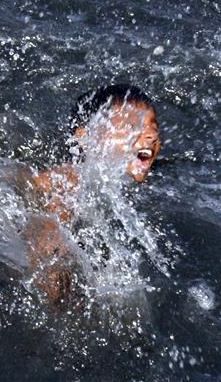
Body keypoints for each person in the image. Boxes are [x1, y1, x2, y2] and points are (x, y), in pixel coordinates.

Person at [25, 84, 162, 301]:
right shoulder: (68, 182)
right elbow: (44, 258)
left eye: (153, 127)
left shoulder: (114, 186)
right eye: (131, 126)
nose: (150, 136)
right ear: (85, 137)